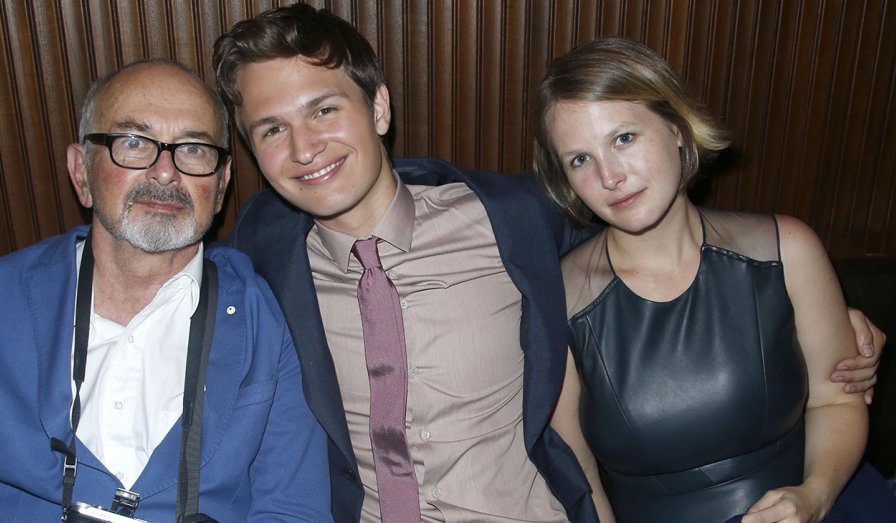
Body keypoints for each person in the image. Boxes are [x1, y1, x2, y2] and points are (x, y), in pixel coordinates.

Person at [211, 5, 883, 521]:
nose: (305, 147)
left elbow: (652, 245)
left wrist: (817, 309)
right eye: (272, 129)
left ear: (379, 106)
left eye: (325, 109)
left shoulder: (516, 221)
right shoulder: (257, 256)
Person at [535, 36, 896, 523]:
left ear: (678, 130)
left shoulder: (787, 249)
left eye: (623, 138)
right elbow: (577, 473)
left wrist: (815, 495)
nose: (610, 176)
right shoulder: (560, 298)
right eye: (579, 159)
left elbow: (836, 400)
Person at [0, 60, 331, 521]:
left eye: (194, 149)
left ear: (220, 187)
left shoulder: (268, 316)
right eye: (133, 143)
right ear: (81, 172)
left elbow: (293, 510)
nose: (165, 172)